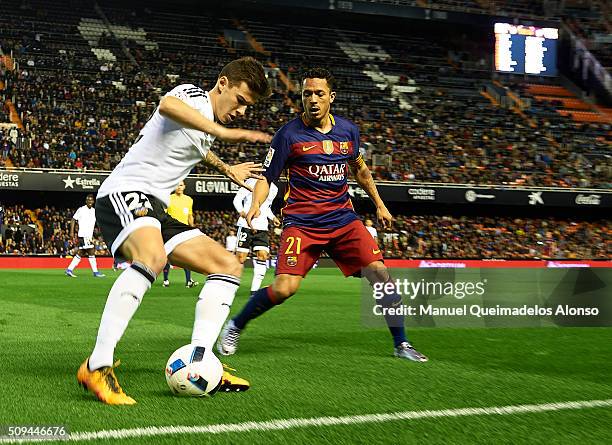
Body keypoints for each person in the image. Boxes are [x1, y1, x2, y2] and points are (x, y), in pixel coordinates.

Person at [77, 56, 273, 405]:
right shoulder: (193, 95)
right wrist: (221, 132)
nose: (242, 112)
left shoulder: (204, 123)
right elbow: (167, 106)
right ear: (223, 83)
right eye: (241, 102)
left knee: (228, 265)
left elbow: (198, 145)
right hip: (124, 192)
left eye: (249, 107)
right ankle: (97, 364)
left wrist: (227, 167)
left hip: (155, 207)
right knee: (151, 257)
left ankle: (202, 362)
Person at [219, 67, 427, 362]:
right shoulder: (287, 135)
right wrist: (256, 204)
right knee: (284, 288)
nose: (313, 99)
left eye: (319, 93)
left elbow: (361, 171)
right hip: (302, 223)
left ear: (331, 97)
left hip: (343, 219)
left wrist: (379, 204)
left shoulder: (348, 131)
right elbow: (267, 177)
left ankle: (401, 344)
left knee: (381, 275)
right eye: (307, 94)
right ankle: (236, 325)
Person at [232, 177, 280, 295]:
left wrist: (273, 217)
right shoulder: (251, 182)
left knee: (263, 256)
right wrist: (241, 211)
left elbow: (266, 207)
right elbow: (237, 199)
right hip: (245, 225)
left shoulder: (274, 188)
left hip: (262, 227)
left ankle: (254, 291)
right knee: (240, 258)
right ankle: (231, 286)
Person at [162, 181, 199, 288]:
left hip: (184, 231)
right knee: (167, 255)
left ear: (184, 187)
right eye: (177, 185)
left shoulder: (188, 200)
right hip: (170, 229)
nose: (179, 187)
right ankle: (166, 280)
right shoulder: (168, 198)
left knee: (186, 256)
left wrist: (192, 226)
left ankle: (188, 281)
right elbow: (164, 213)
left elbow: (189, 215)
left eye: (181, 185)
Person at [65, 194, 105, 278]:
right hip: (83, 235)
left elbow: (97, 222)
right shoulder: (81, 210)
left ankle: (69, 269)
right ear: (86, 201)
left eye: (91, 200)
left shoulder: (94, 211)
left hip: (89, 236)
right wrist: (71, 232)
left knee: (81, 253)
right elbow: (73, 219)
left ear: (93, 201)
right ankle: (95, 272)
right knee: (91, 251)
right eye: (88, 200)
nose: (89, 201)